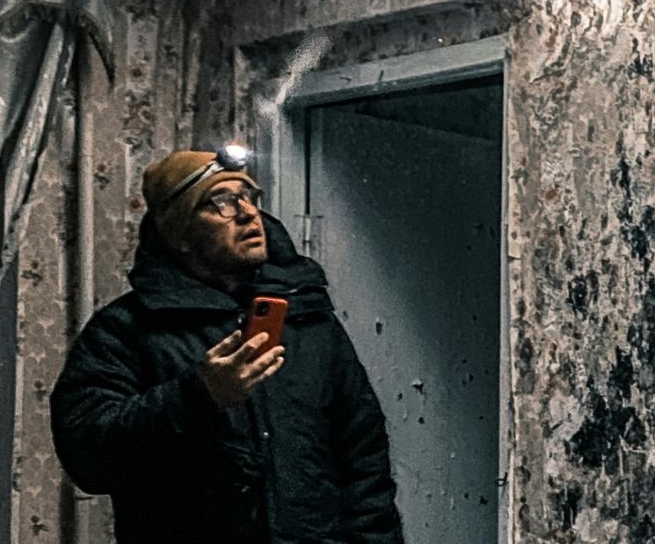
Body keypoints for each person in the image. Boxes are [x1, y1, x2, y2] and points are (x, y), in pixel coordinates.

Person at [50, 147, 405, 544]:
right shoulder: (125, 330)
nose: (247, 213)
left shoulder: (307, 320)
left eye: (249, 197)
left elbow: (364, 462)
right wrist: (199, 395)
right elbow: (88, 455)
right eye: (222, 202)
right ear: (180, 233)